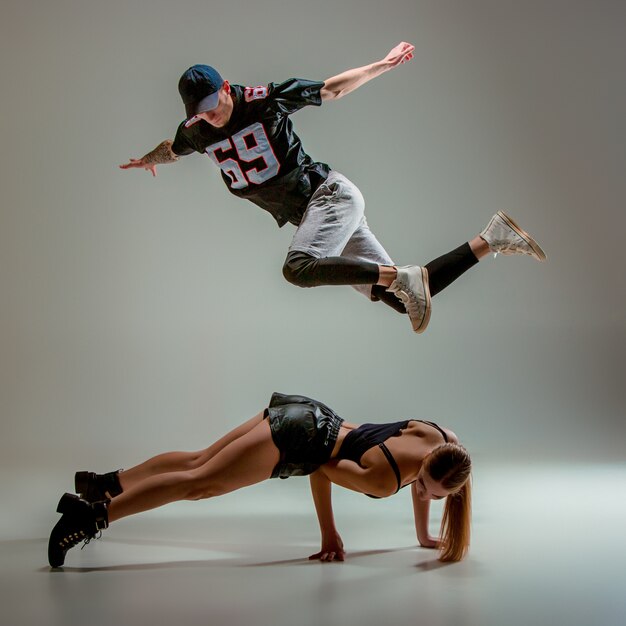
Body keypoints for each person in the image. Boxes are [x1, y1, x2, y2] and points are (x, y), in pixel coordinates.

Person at [119, 42, 546, 334]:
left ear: (226, 88)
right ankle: (493, 237)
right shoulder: (195, 130)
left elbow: (331, 89)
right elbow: (173, 149)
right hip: (318, 217)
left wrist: (382, 64)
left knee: (297, 269)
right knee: (400, 300)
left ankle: (405, 275)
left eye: (213, 105)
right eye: (200, 111)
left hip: (329, 197)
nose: (209, 116)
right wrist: (148, 161)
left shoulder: (264, 100)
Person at [48, 392, 472, 568]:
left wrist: (423, 534)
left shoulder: (444, 437)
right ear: (431, 468)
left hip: (307, 410)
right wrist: (329, 532)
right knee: (197, 484)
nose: (421, 494)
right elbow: (321, 466)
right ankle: (91, 517)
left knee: (199, 459)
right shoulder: (384, 480)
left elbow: (426, 479)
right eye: (421, 487)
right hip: (298, 438)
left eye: (430, 496)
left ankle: (107, 483)